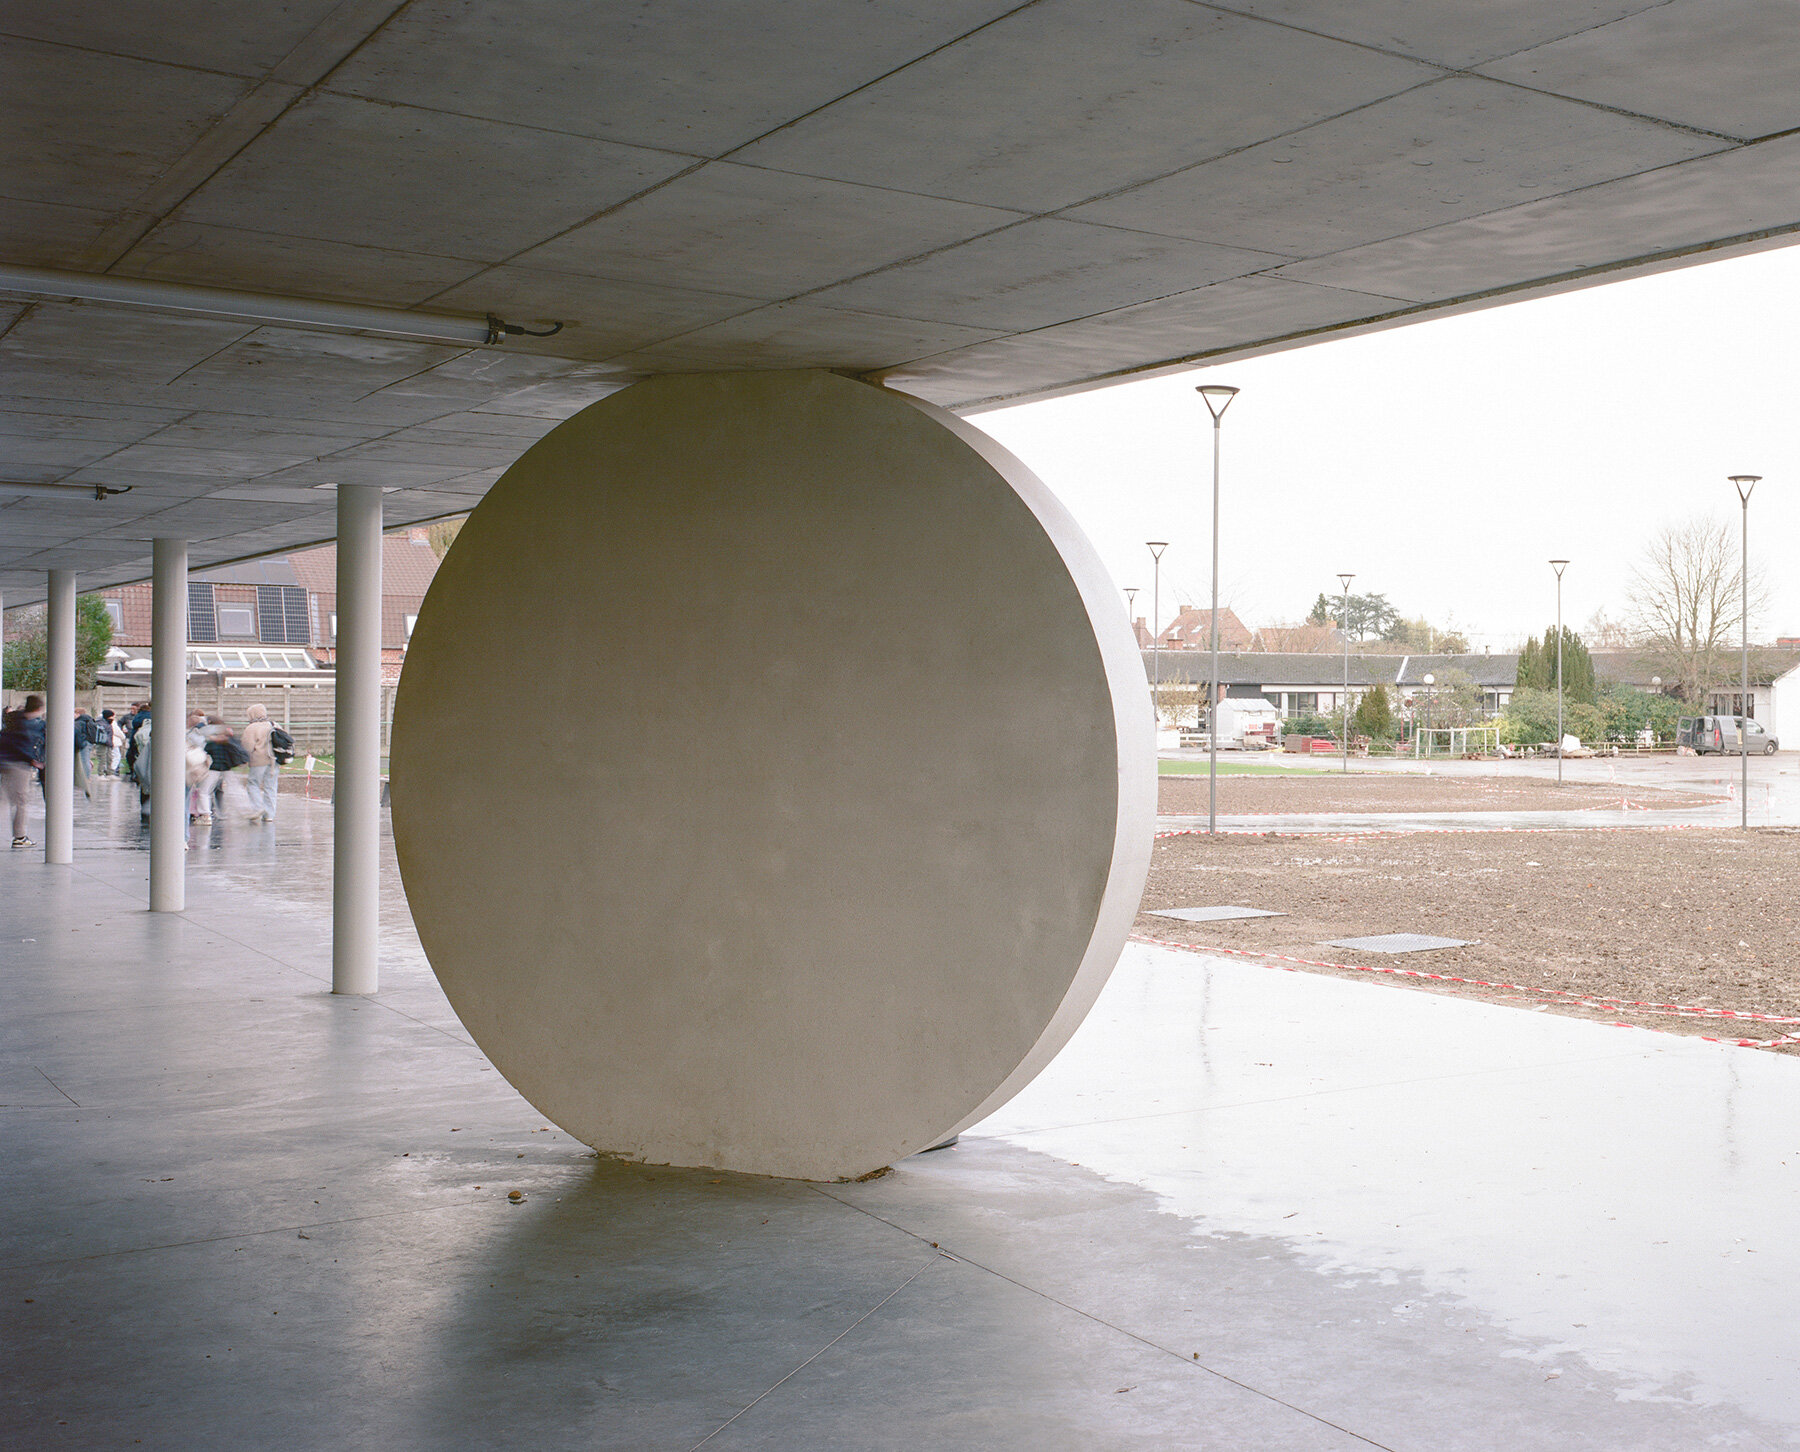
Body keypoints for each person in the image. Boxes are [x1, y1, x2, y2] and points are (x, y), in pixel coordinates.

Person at [1, 694, 45, 848]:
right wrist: (32, 760)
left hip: (5, 762)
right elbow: (22, 745)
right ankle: (20, 837)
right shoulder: (29, 725)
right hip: (18, 765)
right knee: (20, 801)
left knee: (4, 798)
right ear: (39, 708)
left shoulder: (13, 720)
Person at [240, 704, 279, 823]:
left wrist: (243, 760)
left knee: (253, 784)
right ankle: (269, 815)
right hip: (274, 760)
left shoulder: (251, 728)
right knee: (271, 787)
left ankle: (258, 807)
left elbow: (247, 746)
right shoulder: (274, 725)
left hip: (258, 761)